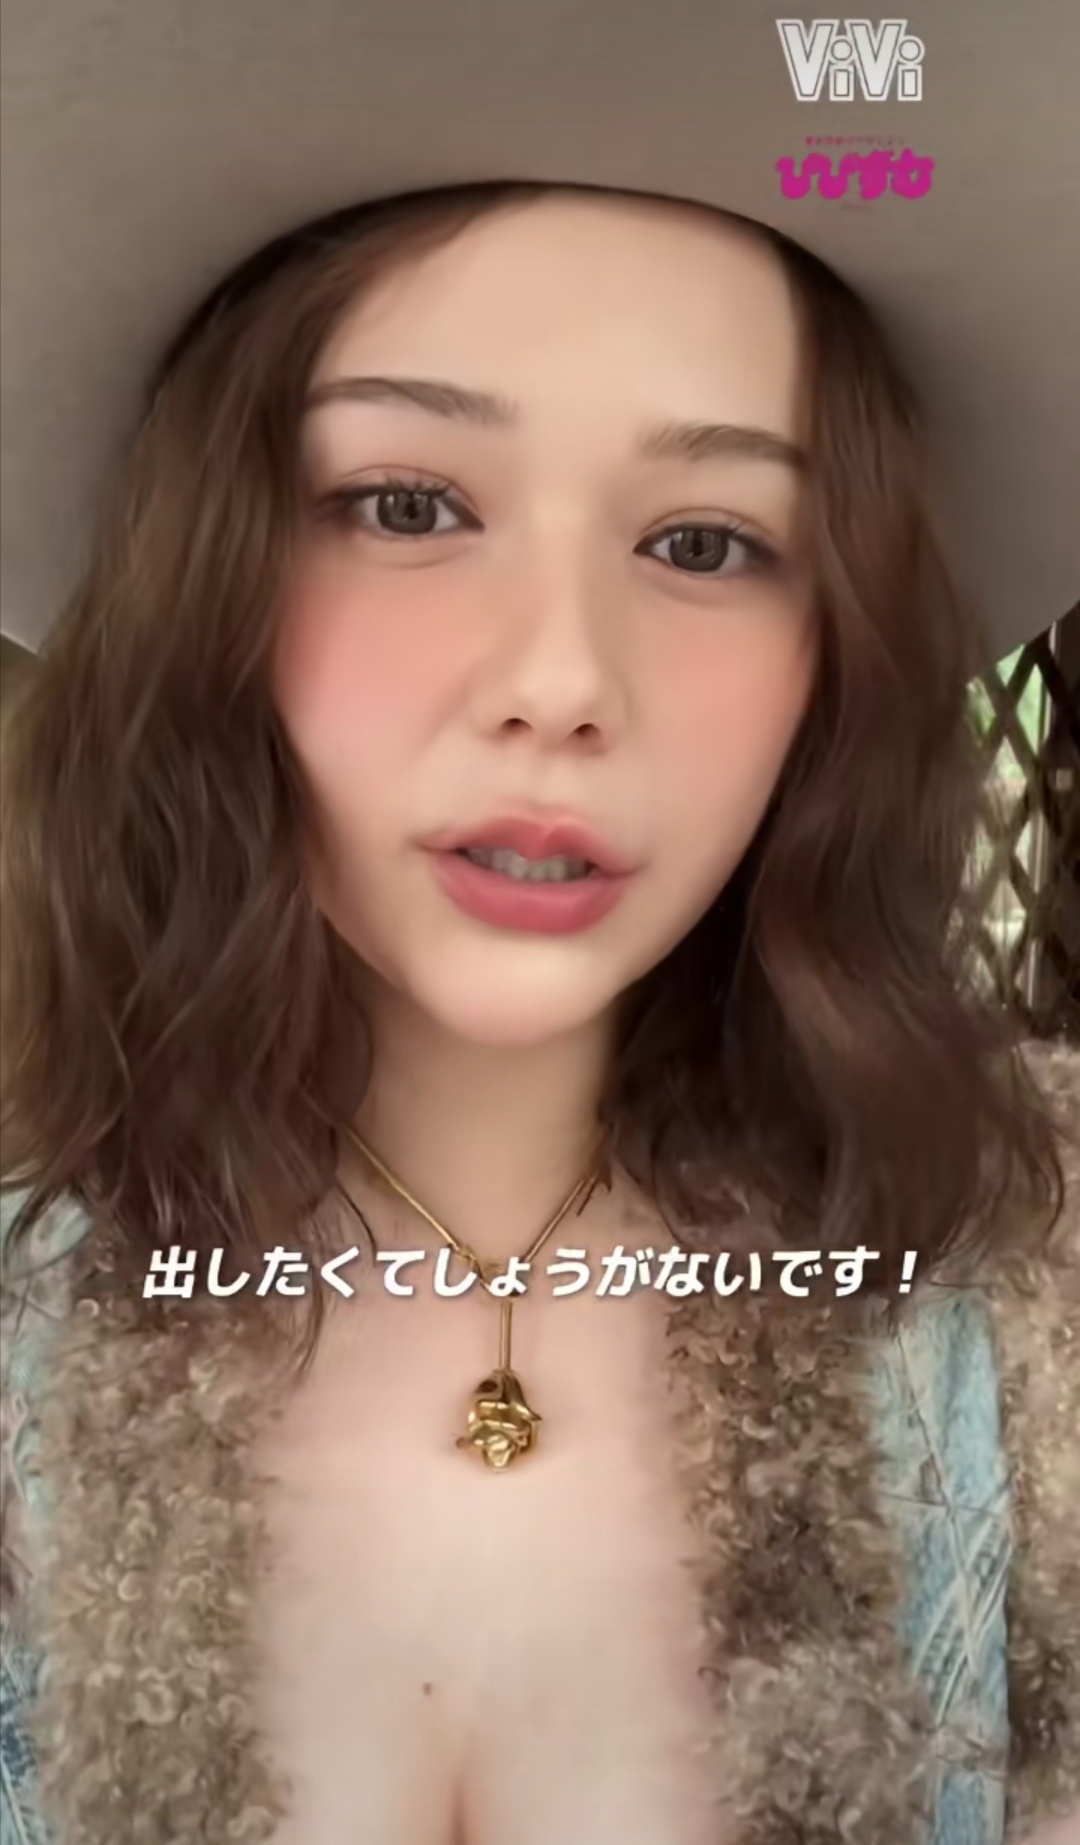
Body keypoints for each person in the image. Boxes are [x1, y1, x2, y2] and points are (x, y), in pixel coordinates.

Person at [1, 8, 1078, 1845]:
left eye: (706, 541)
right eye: (409, 504)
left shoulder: (1029, 1300)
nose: (565, 680)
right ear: (208, 576)